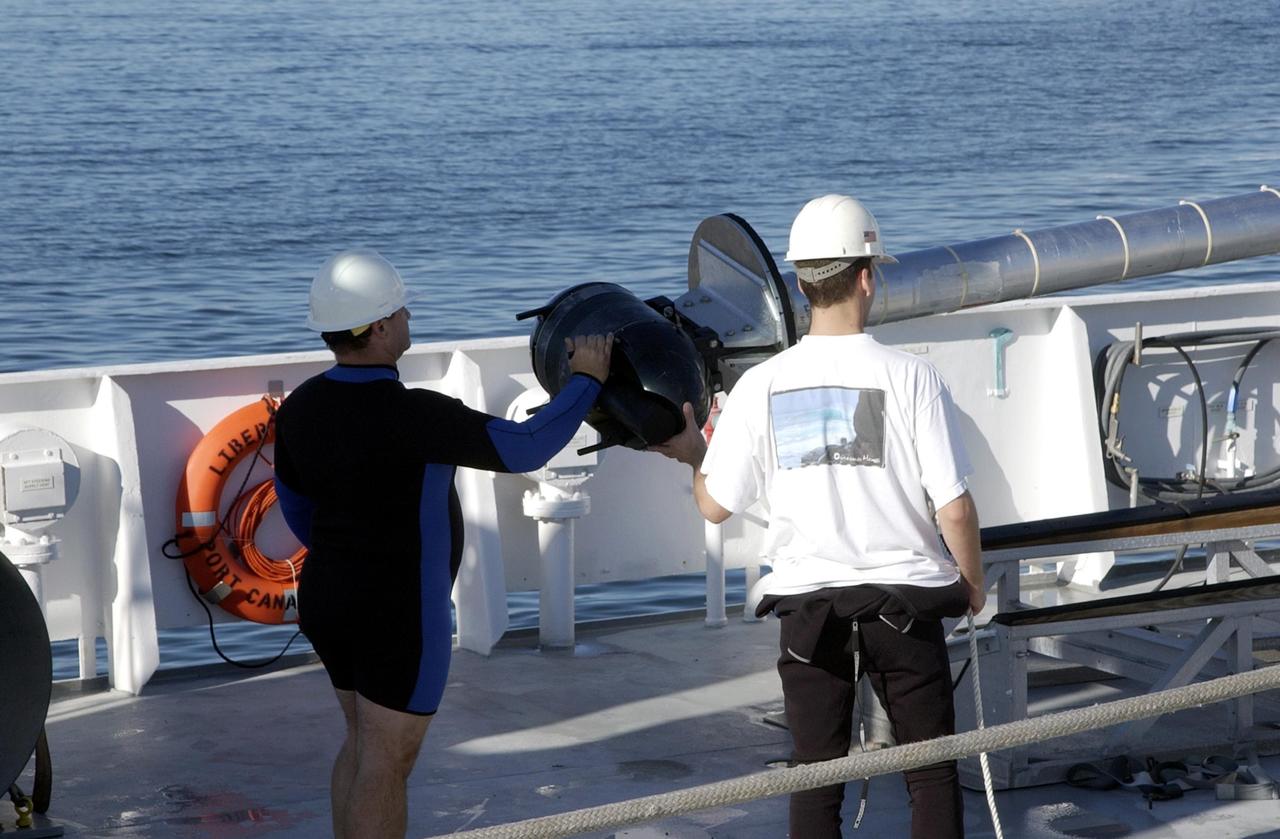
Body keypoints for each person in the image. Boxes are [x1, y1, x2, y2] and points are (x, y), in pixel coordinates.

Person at [651, 195, 985, 839]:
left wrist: (696, 453)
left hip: (807, 607)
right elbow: (955, 507)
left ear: (801, 285)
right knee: (931, 772)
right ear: (866, 276)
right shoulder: (914, 377)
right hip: (904, 603)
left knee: (814, 776)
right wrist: (970, 587)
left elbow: (715, 504)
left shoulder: (760, 386)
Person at [271, 248, 612, 839]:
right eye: (400, 311)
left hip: (328, 598)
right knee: (386, 759)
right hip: (400, 613)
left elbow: (295, 508)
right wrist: (586, 381)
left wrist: (349, 556)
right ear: (379, 328)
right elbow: (526, 445)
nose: (407, 319)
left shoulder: (300, 407)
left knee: (361, 741)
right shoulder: (413, 412)